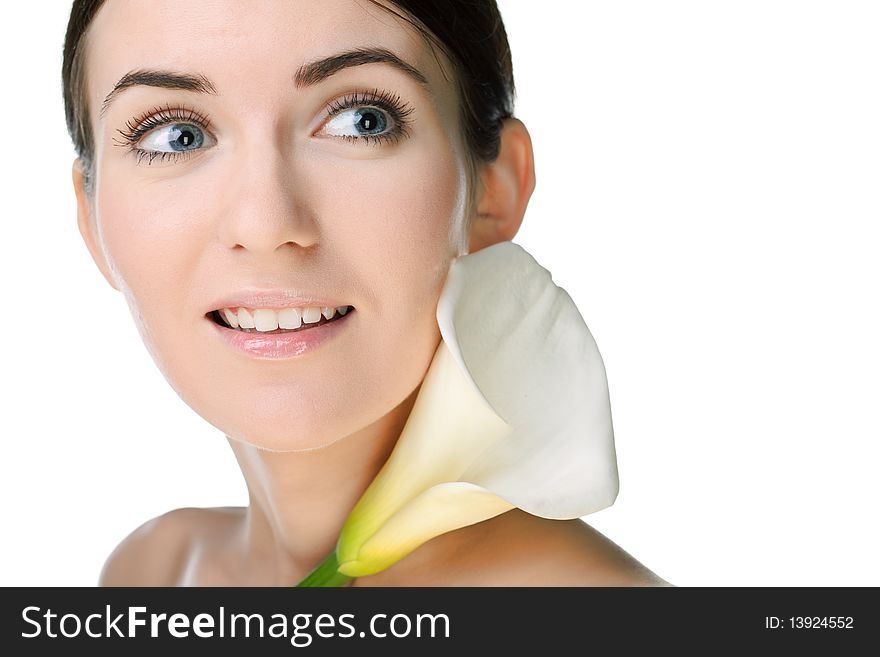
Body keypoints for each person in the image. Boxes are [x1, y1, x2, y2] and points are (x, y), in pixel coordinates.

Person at [63, 0, 671, 587]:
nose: (266, 223)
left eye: (362, 120)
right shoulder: (154, 576)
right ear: (91, 221)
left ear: (495, 189)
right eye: (177, 135)